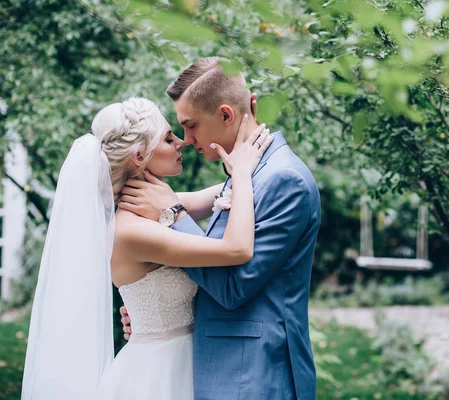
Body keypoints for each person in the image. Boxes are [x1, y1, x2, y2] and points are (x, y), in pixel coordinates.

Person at [21, 97, 273, 400]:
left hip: (189, 357)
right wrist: (241, 173)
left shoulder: (155, 205)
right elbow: (236, 249)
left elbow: (222, 194)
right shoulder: (132, 231)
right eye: (169, 138)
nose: (182, 142)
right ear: (140, 156)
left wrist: (244, 135)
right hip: (161, 371)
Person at [118, 58, 321, 400]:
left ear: (226, 115)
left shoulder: (282, 180)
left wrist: (173, 213)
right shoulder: (247, 172)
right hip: (223, 366)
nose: (187, 139)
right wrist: (152, 312)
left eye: (191, 125)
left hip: (253, 374)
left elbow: (232, 288)